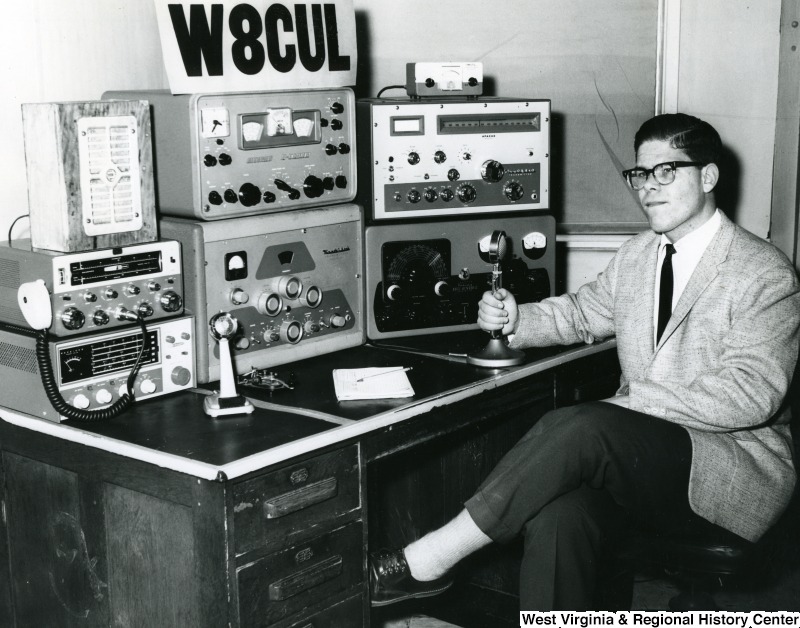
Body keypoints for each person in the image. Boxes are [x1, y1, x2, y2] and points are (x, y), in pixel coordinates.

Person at [369, 113, 800, 610]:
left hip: (728, 470)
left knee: (587, 427)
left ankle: (430, 559)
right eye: (640, 174)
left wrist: (631, 405)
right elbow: (582, 313)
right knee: (557, 519)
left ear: (708, 177)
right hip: (642, 467)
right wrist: (515, 317)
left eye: (666, 172)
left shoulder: (764, 272)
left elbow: (750, 394)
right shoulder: (638, 255)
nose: (648, 189)